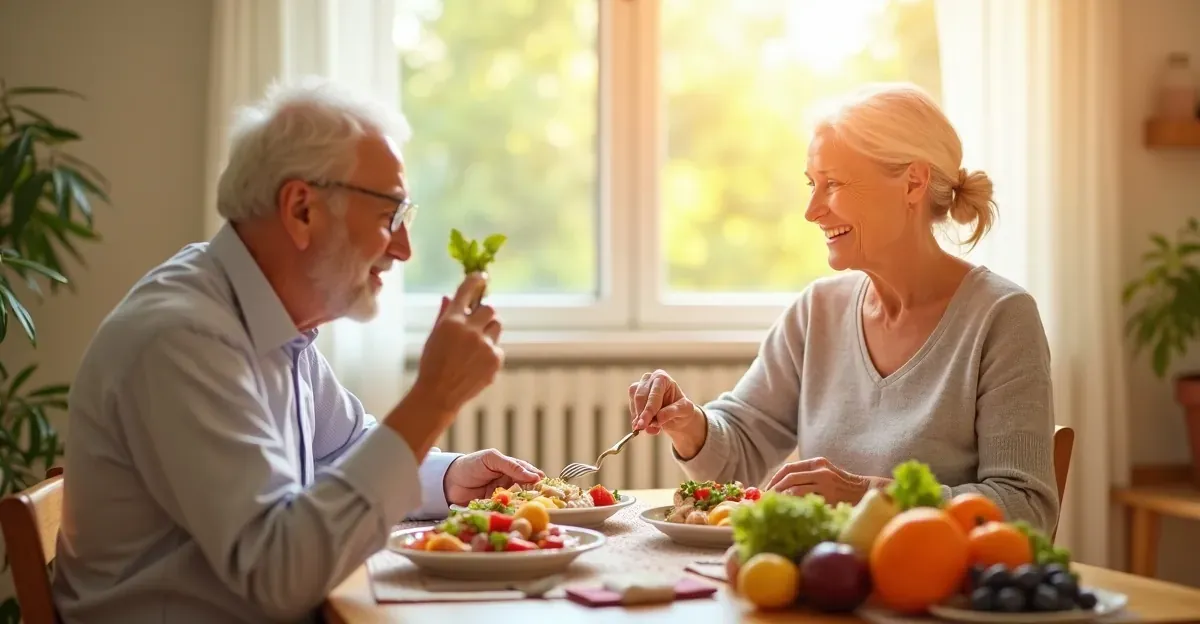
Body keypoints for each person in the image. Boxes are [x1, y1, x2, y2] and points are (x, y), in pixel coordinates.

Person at [51, 78, 543, 623]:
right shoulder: (181, 338)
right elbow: (280, 574)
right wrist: (434, 398)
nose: (403, 249)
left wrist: (450, 478)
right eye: (389, 217)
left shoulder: (266, 318)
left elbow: (342, 449)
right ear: (302, 209)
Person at [628, 83, 1059, 534]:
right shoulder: (818, 311)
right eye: (813, 185)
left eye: (832, 184)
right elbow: (737, 452)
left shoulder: (1002, 316)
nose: (812, 211)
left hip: (928, 592)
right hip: (827, 583)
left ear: (913, 182)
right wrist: (688, 422)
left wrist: (868, 495)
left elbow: (1026, 509)